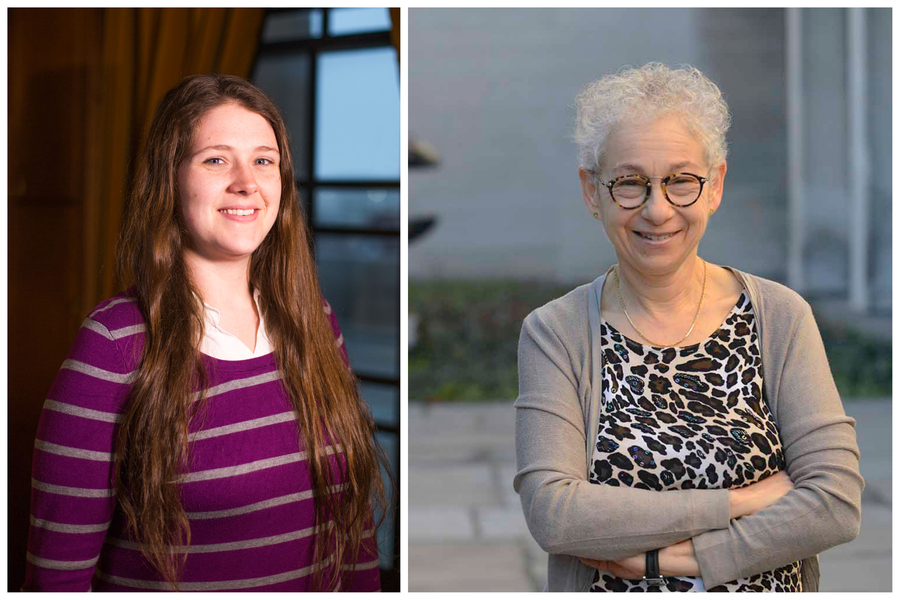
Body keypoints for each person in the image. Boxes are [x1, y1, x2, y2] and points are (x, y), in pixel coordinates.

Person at [24, 74, 388, 592]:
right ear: (169, 179)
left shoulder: (315, 321)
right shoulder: (113, 345)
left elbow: (351, 533)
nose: (247, 182)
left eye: (264, 160)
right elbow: (57, 575)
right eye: (216, 159)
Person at [514, 63, 863, 592]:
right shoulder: (554, 333)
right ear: (593, 192)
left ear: (715, 185)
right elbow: (555, 515)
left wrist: (674, 561)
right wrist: (741, 502)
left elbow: (835, 502)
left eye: (680, 181)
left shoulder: (780, 315)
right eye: (630, 183)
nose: (658, 210)